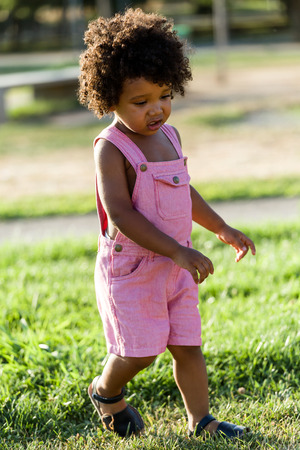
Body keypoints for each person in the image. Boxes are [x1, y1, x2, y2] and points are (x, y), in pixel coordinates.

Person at [78, 8, 256, 440]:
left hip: (176, 266)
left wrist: (221, 228)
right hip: (134, 269)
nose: (156, 109)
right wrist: (176, 249)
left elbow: (183, 192)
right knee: (140, 352)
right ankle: (106, 390)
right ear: (110, 99)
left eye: (164, 95)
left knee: (187, 346)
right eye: (140, 102)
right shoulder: (111, 148)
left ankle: (202, 420)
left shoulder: (170, 137)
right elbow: (120, 213)